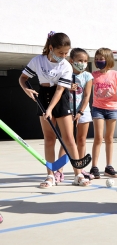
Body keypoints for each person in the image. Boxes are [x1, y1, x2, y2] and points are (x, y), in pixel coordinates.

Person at [18, 32, 90, 188]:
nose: (63, 56)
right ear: (51, 48)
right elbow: (22, 79)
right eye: (60, 53)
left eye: (66, 53)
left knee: (69, 139)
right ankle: (50, 175)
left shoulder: (65, 65)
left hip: (60, 98)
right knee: (49, 139)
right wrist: (27, 90)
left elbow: (59, 90)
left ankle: (78, 175)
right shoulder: (37, 61)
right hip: (43, 97)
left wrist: (50, 109)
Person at [90, 48, 117, 179]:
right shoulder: (93, 75)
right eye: (97, 59)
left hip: (112, 109)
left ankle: (109, 167)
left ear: (108, 60)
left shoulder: (115, 74)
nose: (98, 61)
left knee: (109, 138)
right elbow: (85, 88)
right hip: (97, 108)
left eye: (101, 59)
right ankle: (94, 167)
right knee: (98, 137)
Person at [56, 48, 94, 182]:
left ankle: (80, 167)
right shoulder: (66, 73)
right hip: (67, 111)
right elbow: (58, 90)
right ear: (71, 61)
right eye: (79, 60)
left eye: (85, 61)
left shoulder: (87, 76)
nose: (82, 63)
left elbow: (87, 95)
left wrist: (80, 112)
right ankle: (59, 170)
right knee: (66, 140)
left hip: (82, 111)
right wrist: (67, 86)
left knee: (81, 140)